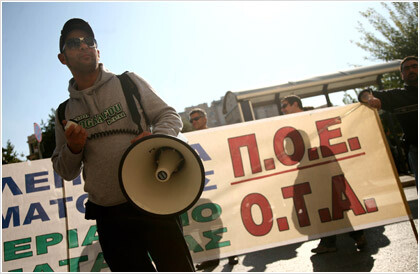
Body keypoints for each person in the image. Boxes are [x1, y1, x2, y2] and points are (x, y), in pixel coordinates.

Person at [52, 18, 194, 272]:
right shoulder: (64, 111)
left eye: (89, 41)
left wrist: (155, 138)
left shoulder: (127, 82)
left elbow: (169, 117)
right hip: (109, 216)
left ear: (98, 50)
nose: (84, 46)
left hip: (154, 199)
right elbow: (65, 170)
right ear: (63, 59)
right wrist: (73, 148)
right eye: (74, 43)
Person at [280, 95, 367, 254]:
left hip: (322, 165)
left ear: (295, 104)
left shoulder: (314, 116)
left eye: (285, 105)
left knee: (333, 202)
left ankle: (347, 237)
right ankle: (338, 239)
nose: (283, 109)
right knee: (321, 204)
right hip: (309, 168)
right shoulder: (289, 126)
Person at [188, 108, 239, 270]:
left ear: (205, 119)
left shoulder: (216, 134)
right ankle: (211, 258)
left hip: (220, 184)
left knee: (226, 219)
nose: (194, 122)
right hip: (204, 188)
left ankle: (234, 252)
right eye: (191, 120)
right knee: (205, 223)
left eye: (196, 119)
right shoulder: (188, 140)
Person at [358, 56, 418, 190]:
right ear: (402, 75)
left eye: (415, 66)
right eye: (407, 68)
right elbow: (364, 94)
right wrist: (370, 98)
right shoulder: (397, 96)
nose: (411, 70)